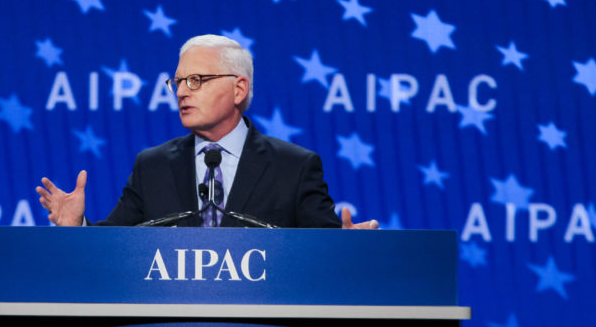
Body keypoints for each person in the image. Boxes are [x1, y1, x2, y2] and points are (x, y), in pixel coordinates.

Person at [37, 34, 378, 229]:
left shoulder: (295, 167)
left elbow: (322, 253)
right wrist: (77, 227)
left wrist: (341, 253)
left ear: (238, 89)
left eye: (197, 80)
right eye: (179, 82)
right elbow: (114, 251)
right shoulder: (153, 166)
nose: (182, 91)